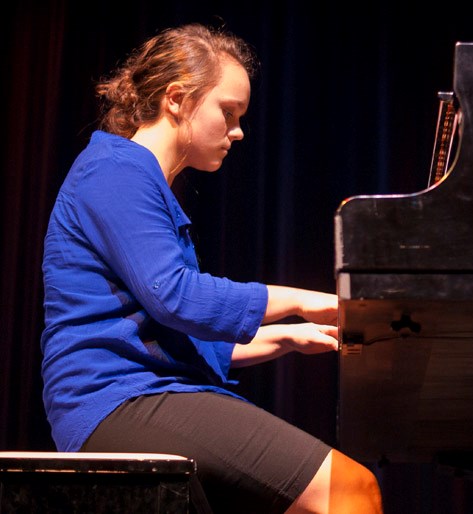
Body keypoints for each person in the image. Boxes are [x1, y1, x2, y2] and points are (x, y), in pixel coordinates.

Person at [40, 23, 383, 514]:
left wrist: (288, 336)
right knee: (352, 489)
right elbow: (177, 298)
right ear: (177, 99)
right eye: (228, 112)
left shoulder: (137, 177)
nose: (238, 131)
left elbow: (170, 329)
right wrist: (302, 299)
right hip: (116, 400)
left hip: (136, 395)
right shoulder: (116, 171)